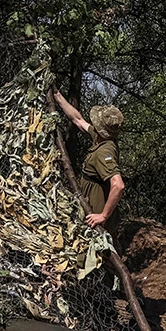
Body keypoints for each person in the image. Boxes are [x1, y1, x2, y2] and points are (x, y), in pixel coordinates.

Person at [52, 90, 126, 236]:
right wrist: (57, 95)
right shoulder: (102, 138)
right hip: (90, 209)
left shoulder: (104, 152)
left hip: (96, 218)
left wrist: (103, 215)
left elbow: (118, 185)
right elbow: (78, 120)